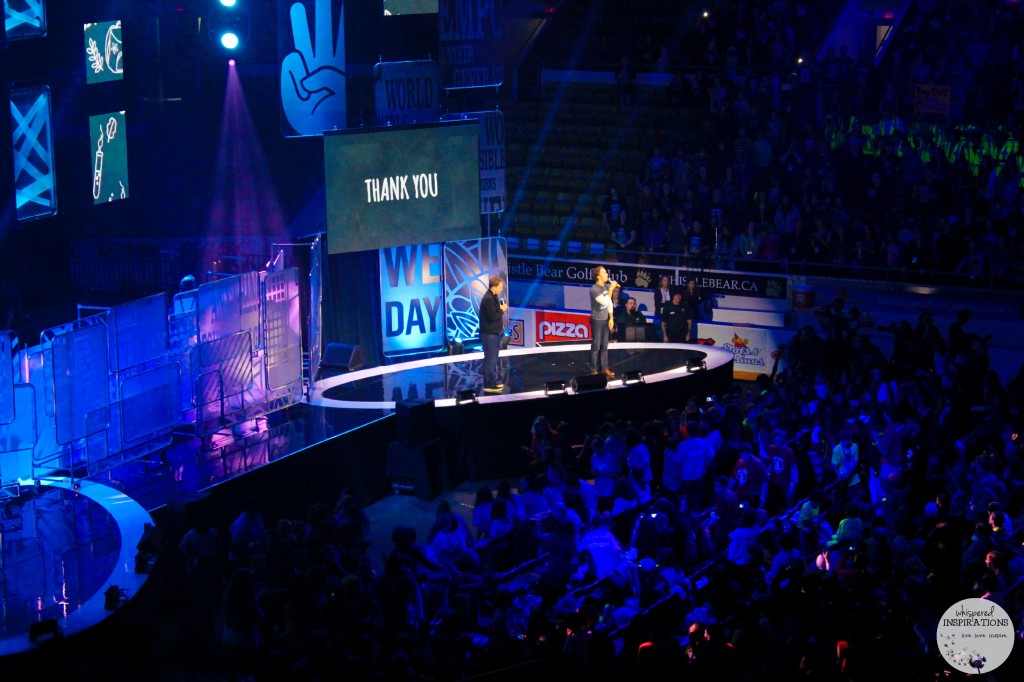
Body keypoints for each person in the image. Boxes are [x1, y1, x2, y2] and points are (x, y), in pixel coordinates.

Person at [479, 275, 508, 393]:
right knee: (490, 360)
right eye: (500, 287)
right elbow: (493, 317)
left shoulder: (493, 296)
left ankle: (493, 382)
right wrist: (502, 310)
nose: (501, 290)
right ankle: (489, 385)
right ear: (494, 287)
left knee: (494, 359)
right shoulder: (488, 299)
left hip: (494, 334)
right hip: (489, 334)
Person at [589, 266, 618, 378]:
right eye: (604, 273)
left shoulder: (606, 286)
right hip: (596, 319)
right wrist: (611, 289)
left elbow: (610, 304)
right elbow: (606, 302)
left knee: (604, 345)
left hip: (605, 319)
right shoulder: (594, 289)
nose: (607, 274)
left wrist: (611, 318)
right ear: (598, 276)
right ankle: (593, 369)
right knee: (596, 345)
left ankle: (604, 368)